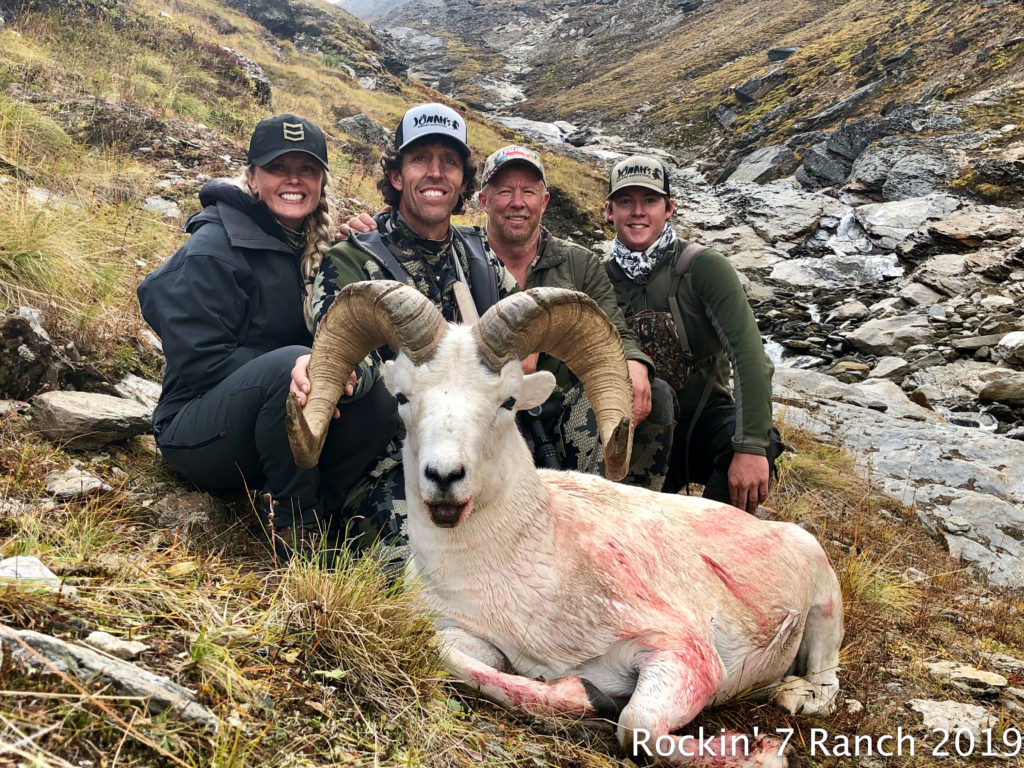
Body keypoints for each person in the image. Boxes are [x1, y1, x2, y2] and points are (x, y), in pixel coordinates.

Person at [137, 113, 398, 563]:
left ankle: (329, 511)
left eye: (307, 170)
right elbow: (198, 361)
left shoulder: (312, 245)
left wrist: (362, 248)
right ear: (253, 178)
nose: (293, 181)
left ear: (321, 181)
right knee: (293, 366)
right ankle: (296, 530)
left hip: (266, 429)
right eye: (278, 168)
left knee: (377, 401)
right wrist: (293, 368)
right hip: (196, 436)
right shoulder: (214, 248)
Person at [291, 103, 518, 544]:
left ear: (463, 183)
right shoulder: (352, 260)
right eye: (420, 160)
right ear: (397, 176)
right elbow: (345, 366)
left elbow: (525, 341)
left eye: (450, 162)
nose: (436, 173)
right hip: (393, 459)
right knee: (422, 592)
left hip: (480, 446)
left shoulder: (482, 258)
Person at [603, 154, 782, 513]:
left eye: (649, 201)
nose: (638, 212)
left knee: (753, 443)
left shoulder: (704, 267)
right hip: (639, 428)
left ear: (669, 208)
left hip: (705, 420)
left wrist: (749, 447)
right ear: (609, 211)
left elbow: (749, 357)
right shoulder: (600, 279)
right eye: (626, 202)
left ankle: (716, 538)